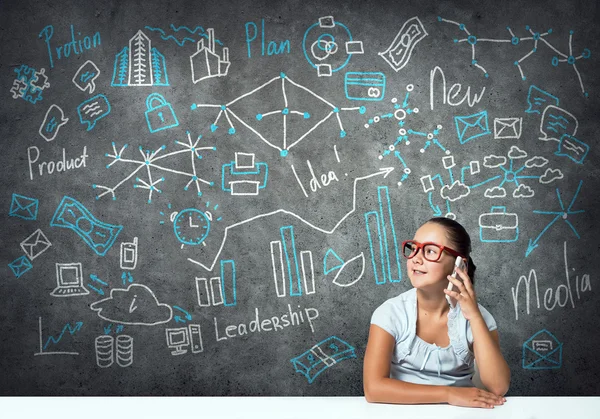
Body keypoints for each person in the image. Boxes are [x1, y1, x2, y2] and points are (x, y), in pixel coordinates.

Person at [363, 217, 510, 408]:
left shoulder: (479, 317)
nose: (416, 258)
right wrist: (449, 393)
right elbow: (373, 389)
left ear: (460, 265)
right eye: (414, 248)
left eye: (430, 251)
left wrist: (474, 316)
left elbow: (498, 386)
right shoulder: (391, 313)